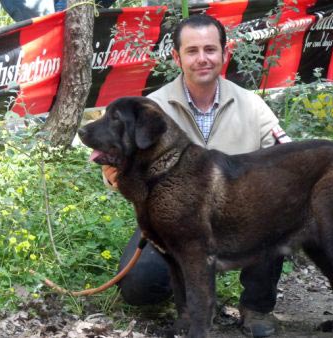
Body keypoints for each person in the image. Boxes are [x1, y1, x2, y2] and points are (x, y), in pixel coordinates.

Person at [102, 14, 290, 338]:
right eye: (192, 51)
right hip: (173, 223)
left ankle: (257, 307)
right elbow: (115, 164)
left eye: (210, 49)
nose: (202, 59)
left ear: (224, 53)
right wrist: (114, 170)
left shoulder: (252, 105)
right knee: (137, 287)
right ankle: (192, 306)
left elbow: (287, 156)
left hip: (241, 218)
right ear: (177, 57)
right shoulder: (152, 107)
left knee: (276, 213)